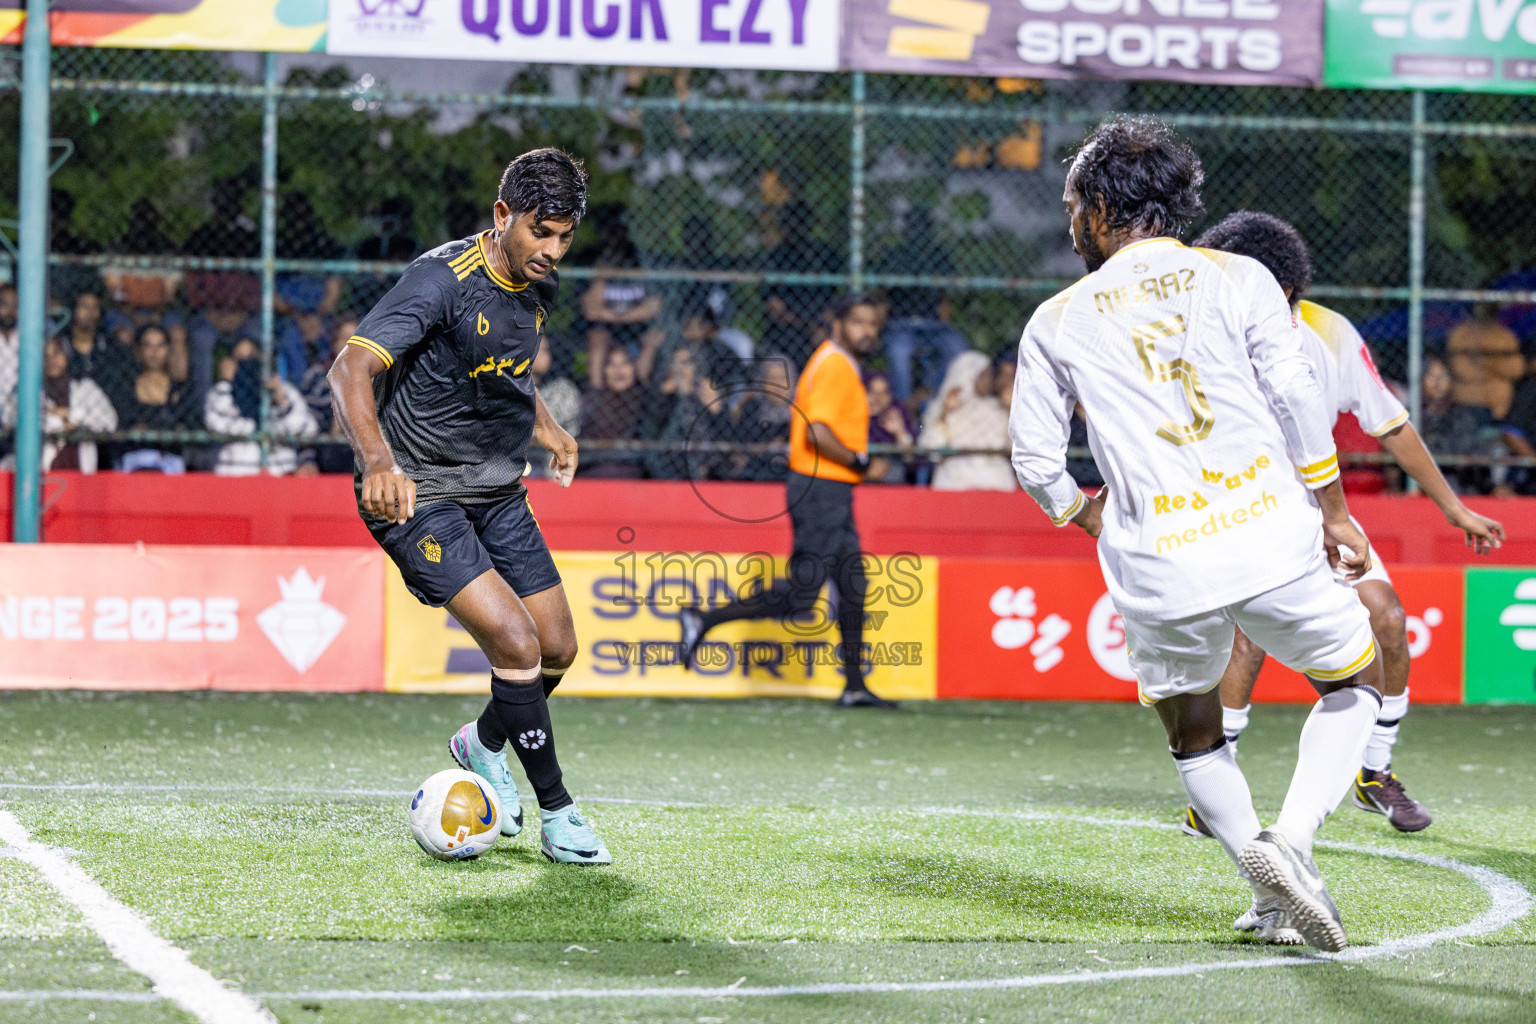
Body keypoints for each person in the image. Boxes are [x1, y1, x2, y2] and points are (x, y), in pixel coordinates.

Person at [1010, 116, 1389, 953]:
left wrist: (1092, 517)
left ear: (1104, 208)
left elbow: (1036, 461)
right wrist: (1333, 510)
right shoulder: (1240, 277)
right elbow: (1293, 394)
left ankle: (1268, 875)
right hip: (1266, 532)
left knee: (1194, 731)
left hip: (1158, 563)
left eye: (1074, 206)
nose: (1070, 223)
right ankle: (1291, 843)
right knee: (1356, 683)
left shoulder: (1058, 319)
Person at [328, 148, 610, 865]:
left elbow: (507, 370)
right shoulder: (440, 280)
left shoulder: (538, 288)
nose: (551, 250)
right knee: (515, 644)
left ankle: (480, 743)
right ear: (502, 216)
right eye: (540, 232)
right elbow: (349, 368)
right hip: (418, 493)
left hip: (496, 486)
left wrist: (546, 427)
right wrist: (379, 463)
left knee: (557, 649)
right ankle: (560, 815)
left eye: (564, 237)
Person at [1183, 211, 1505, 837]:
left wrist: (1452, 506)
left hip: (1317, 517)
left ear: (1282, 289)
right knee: (1246, 641)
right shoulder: (1205, 339)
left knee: (1386, 616)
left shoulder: (1328, 333)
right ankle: (1215, 792)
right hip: (1236, 519)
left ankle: (1374, 773)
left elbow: (1391, 424)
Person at [678, 295, 896, 709]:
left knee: (853, 586)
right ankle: (704, 618)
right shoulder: (833, 364)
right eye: (859, 322)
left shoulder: (838, 363)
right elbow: (818, 432)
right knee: (802, 595)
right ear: (838, 324)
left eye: (874, 324)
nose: (868, 331)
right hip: (820, 487)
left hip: (829, 489)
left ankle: (853, 686)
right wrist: (861, 462)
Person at [874, 207, 971, 402]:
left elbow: (945, 299)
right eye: (913, 226)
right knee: (899, 354)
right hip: (901, 324)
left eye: (923, 226)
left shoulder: (938, 255)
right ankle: (903, 408)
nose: (918, 231)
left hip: (933, 325)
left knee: (959, 349)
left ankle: (928, 394)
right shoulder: (895, 254)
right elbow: (882, 296)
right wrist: (879, 326)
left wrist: (945, 321)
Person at [204, 338, 318, 476]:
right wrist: (225, 382)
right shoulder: (221, 392)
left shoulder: (285, 391)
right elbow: (218, 425)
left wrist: (281, 402)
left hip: (279, 472)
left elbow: (308, 429)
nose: (248, 364)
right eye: (240, 360)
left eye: (253, 357)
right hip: (236, 471)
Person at [917, 350, 1016, 491]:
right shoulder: (944, 408)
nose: (989, 380)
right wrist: (945, 413)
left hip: (995, 482)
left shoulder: (999, 409)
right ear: (968, 376)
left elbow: (1017, 448)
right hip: (955, 481)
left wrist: (1011, 410)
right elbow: (932, 450)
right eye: (983, 375)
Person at [114, 324, 202, 473]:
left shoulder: (180, 388)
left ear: (168, 350)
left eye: (160, 346)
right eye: (148, 346)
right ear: (139, 351)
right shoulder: (126, 387)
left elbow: (190, 423)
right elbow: (121, 425)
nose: (154, 352)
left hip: (170, 459)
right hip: (135, 458)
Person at [865, 370, 914, 484]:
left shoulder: (896, 413)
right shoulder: (852, 413)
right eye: (873, 392)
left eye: (883, 393)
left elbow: (913, 462)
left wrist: (900, 432)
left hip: (890, 483)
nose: (877, 398)